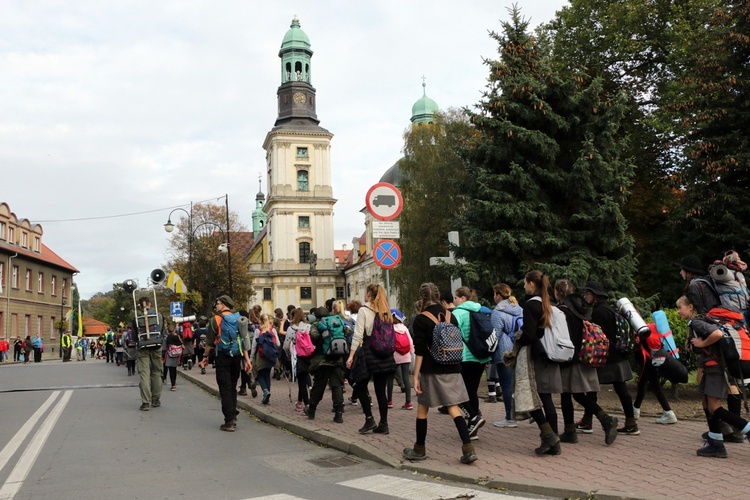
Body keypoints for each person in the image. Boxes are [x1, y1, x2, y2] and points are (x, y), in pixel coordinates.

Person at [402, 282, 477, 464]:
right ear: (438, 296)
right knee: (453, 407)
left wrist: (415, 375)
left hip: (431, 369)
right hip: (453, 367)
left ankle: (419, 449)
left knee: (422, 408)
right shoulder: (451, 316)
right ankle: (468, 449)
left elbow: (419, 351)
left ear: (422, 297)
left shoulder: (420, 319)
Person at [677, 295, 750, 458]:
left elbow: (716, 334)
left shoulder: (698, 321)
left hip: (715, 368)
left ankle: (746, 429)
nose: (678, 311)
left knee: (714, 407)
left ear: (690, 307)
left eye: (680, 307)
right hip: (715, 366)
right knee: (706, 402)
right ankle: (716, 442)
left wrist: (701, 343)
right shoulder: (705, 320)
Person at [554, 279, 619, 445]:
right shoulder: (581, 308)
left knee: (567, 394)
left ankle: (573, 430)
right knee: (575, 394)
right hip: (582, 355)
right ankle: (603, 419)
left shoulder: (562, 311)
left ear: (558, 292)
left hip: (568, 356)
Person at [579, 281, 638, 436]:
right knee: (621, 390)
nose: (585, 296)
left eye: (587, 293)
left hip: (606, 357)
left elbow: (596, 336)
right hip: (617, 355)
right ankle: (631, 423)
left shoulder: (598, 312)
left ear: (594, 295)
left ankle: (587, 421)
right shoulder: (609, 309)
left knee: (592, 389)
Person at [515, 270, 563, 455]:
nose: (524, 286)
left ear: (531, 284)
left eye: (525, 283)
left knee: (530, 396)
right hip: (551, 353)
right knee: (546, 397)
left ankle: (551, 438)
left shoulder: (530, 305)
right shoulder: (549, 303)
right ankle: (553, 439)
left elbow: (529, 334)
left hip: (535, 356)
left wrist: (518, 339)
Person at [346, 284, 396, 435]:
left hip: (369, 353)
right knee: (381, 391)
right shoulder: (385, 310)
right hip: (386, 355)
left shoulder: (364, 310)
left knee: (359, 386)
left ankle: (369, 419)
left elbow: (358, 335)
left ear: (368, 294)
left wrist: (351, 355)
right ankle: (384, 424)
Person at [200, 295, 252, 431]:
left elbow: (210, 342)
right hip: (237, 357)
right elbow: (244, 339)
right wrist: (247, 360)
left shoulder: (215, 320)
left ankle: (229, 421)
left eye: (217, 303)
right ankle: (233, 414)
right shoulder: (240, 318)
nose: (216, 306)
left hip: (222, 356)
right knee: (233, 386)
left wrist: (205, 356)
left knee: (224, 388)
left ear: (223, 305)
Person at [452, 286, 490, 440]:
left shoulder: (457, 313)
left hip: (465, 358)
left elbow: (453, 335)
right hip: (480, 357)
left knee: (459, 392)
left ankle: (473, 418)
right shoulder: (480, 310)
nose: (454, 301)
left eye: (456, 297)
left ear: (462, 298)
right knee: (472, 391)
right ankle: (472, 427)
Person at [303, 307, 346, 422]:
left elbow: (314, 338)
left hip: (322, 360)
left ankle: (311, 410)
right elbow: (348, 332)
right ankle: (338, 414)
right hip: (337, 359)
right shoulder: (336, 322)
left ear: (316, 316)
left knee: (319, 385)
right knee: (337, 385)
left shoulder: (317, 325)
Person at [490, 283, 523, 429]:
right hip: (519, 348)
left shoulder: (497, 312)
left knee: (506, 384)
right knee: (518, 384)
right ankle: (522, 412)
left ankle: (510, 417)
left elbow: (495, 335)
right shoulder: (519, 309)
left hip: (504, 352)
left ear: (498, 295)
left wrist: (488, 352)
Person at [133, 296, 165, 411]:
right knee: (157, 372)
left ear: (140, 306)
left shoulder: (137, 318)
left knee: (144, 373)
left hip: (143, 347)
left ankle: (145, 402)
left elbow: (134, 336)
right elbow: (161, 331)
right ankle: (156, 399)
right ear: (150, 304)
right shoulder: (159, 316)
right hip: (156, 346)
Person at [284, 308, 311, 412]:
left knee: (301, 382)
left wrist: (288, 355)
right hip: (308, 355)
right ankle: (299, 403)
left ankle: (307, 405)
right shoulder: (308, 327)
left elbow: (286, 345)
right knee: (304, 378)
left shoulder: (292, 329)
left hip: (298, 355)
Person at [387, 308, 413, 410]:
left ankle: (389, 401)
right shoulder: (405, 328)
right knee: (406, 378)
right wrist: (411, 354)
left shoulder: (390, 328)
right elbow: (410, 342)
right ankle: (408, 402)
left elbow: (388, 343)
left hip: (394, 355)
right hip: (406, 355)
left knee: (390, 378)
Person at [162, 324, 183, 391]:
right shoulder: (177, 337)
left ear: (167, 331)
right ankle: (174, 384)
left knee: (171, 370)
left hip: (169, 354)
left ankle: (172, 384)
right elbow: (181, 344)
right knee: (174, 369)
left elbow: (164, 348)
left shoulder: (167, 338)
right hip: (177, 354)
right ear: (174, 330)